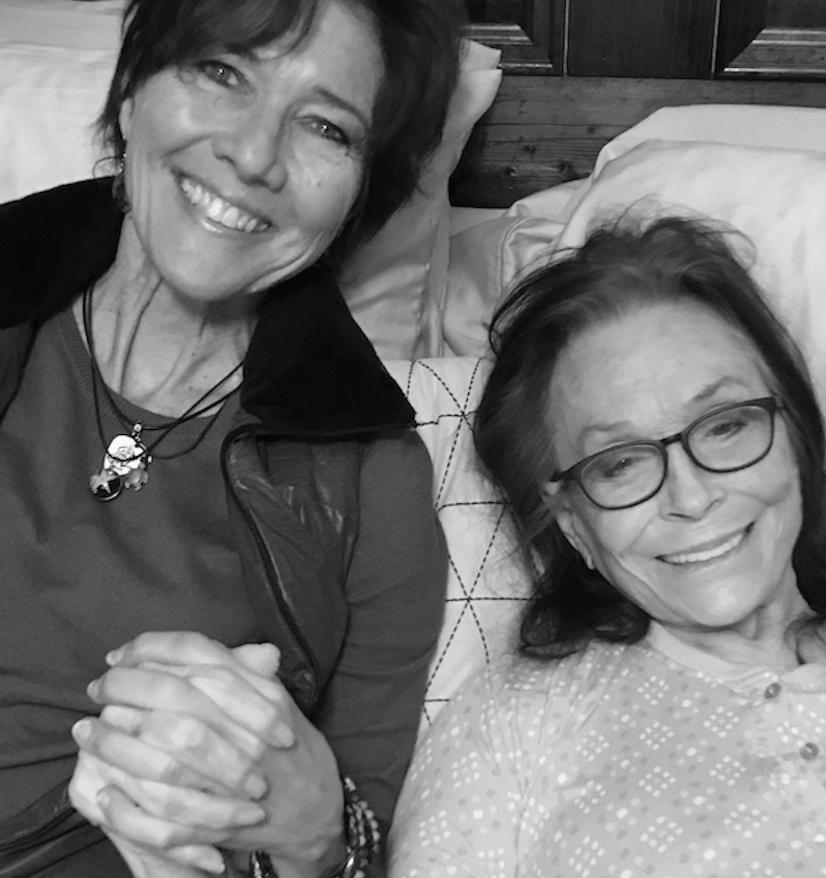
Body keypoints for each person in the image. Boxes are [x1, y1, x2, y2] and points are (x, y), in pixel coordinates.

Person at [0, 0, 463, 875]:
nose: (254, 155)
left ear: (359, 194)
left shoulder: (373, 475)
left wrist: (315, 833)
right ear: (131, 91)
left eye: (327, 126)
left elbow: (363, 846)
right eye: (222, 72)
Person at [388, 215, 826, 877]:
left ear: (793, 435)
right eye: (620, 464)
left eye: (724, 425)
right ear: (574, 524)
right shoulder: (515, 724)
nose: (690, 497)